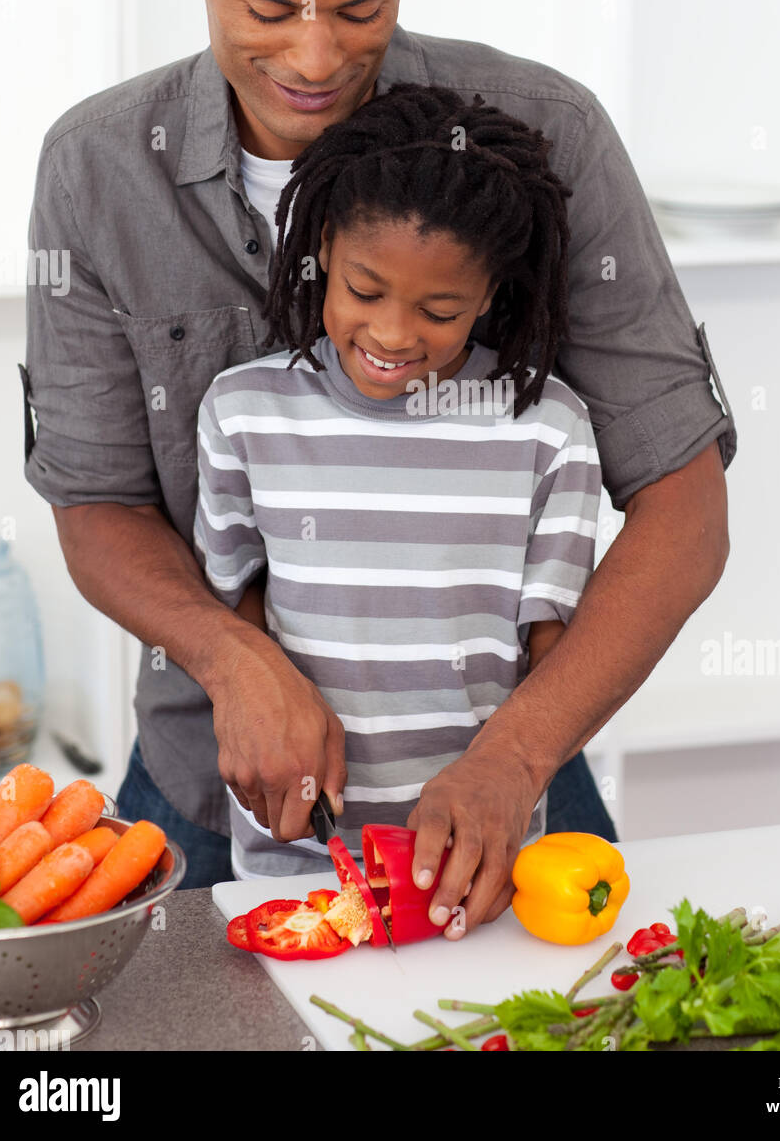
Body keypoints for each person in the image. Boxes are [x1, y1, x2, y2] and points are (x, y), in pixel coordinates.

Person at [20, 0, 735, 925]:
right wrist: (232, 658)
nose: (315, 55)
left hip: (506, 799)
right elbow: (95, 500)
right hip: (209, 792)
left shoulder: (545, 135)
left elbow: (685, 506)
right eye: (265, 4)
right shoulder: (99, 170)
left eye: (362, 6)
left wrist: (516, 756)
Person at [193, 81, 605, 909]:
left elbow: (552, 653)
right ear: (320, 254)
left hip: (471, 860)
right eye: (365, 290)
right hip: (299, 859)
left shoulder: (548, 430)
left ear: (490, 297)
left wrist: (512, 778)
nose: (391, 335)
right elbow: (236, 609)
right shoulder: (243, 414)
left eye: (441, 310)